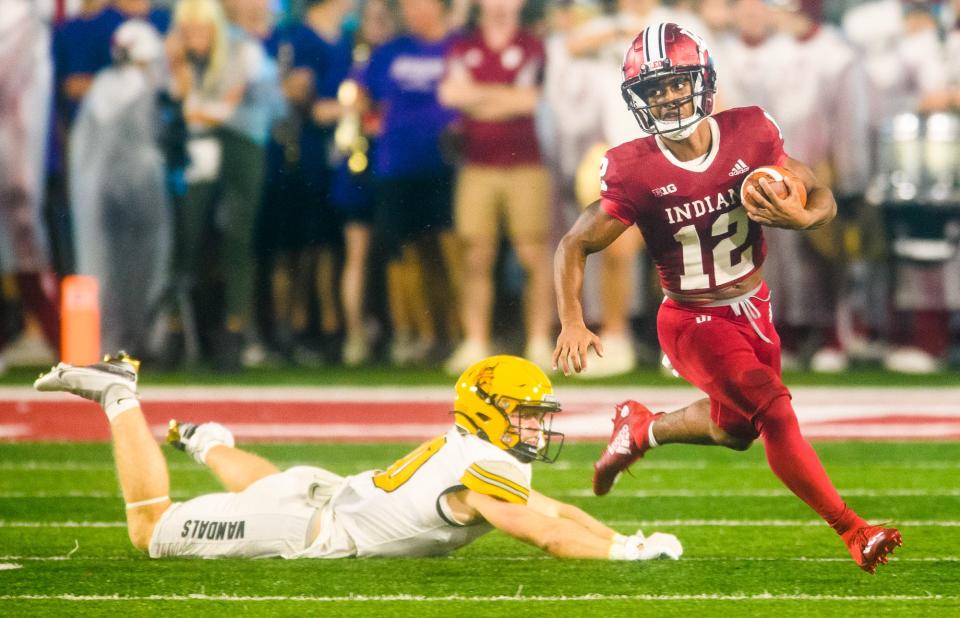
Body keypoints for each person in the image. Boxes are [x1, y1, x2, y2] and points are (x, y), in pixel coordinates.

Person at [552, 22, 901, 574]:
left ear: (704, 79)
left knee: (734, 431)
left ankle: (642, 428)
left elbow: (818, 187)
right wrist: (572, 318)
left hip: (755, 306)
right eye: (654, 89)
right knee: (775, 412)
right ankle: (853, 529)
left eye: (676, 83)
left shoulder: (752, 131)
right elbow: (574, 243)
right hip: (691, 317)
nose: (667, 97)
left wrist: (807, 215)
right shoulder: (633, 167)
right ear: (637, 101)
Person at [33, 353, 682, 561]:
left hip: (330, 495)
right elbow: (542, 530)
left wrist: (629, 540)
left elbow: (554, 507)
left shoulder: (485, 455)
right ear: (489, 410)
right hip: (307, 526)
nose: (537, 427)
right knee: (149, 530)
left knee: (273, 482)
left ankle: (208, 440)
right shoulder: (481, 469)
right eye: (527, 414)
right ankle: (119, 394)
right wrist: (621, 553)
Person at [438, 0, 554, 374]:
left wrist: (477, 96)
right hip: (477, 165)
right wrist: (504, 98)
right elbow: (451, 96)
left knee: (532, 254)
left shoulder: (532, 45)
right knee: (476, 255)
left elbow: (530, 100)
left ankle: (538, 338)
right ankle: (475, 340)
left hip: (525, 164)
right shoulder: (463, 46)